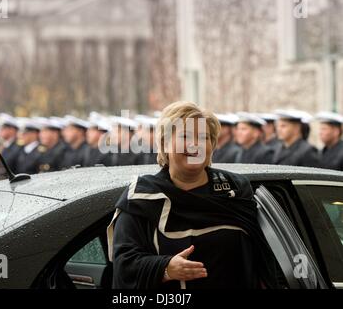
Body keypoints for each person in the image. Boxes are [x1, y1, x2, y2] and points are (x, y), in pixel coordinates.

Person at [107, 101, 277, 289]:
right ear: (165, 143)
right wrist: (164, 268)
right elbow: (124, 266)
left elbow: (264, 257)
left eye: (203, 137)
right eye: (185, 136)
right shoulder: (142, 196)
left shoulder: (236, 189)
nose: (195, 144)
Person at [0, 113, 22, 178]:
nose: (0, 130)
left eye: (3, 128)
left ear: (12, 130)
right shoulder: (3, 146)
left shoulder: (18, 147)